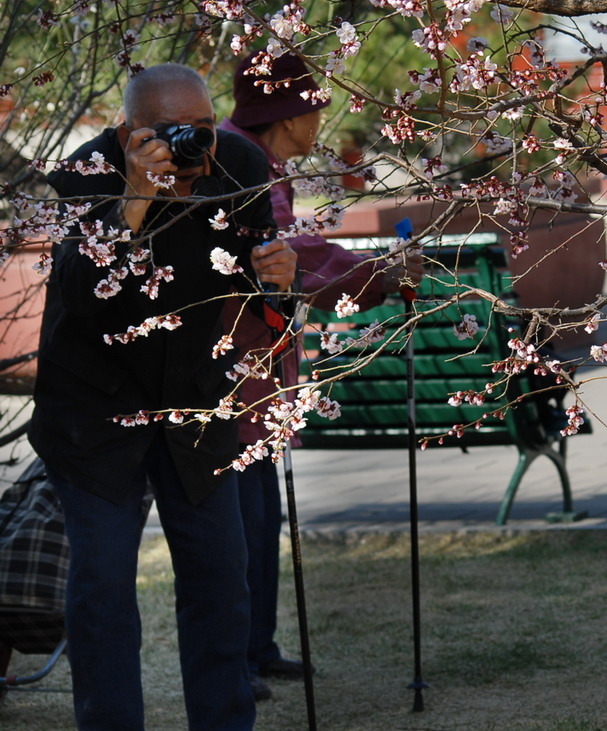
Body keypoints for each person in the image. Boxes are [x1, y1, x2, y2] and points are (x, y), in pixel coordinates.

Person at [29, 63, 297, 730]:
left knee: (220, 577)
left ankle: (226, 719)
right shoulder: (82, 178)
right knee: (104, 586)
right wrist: (134, 203)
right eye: (171, 134)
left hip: (196, 398)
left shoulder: (237, 165)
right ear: (126, 134)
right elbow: (84, 300)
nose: (190, 149)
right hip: (94, 410)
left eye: (202, 130)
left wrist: (281, 283)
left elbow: (268, 309)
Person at [220, 51, 424, 700]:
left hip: (260, 372)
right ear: (287, 113)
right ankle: (235, 658)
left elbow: (296, 247)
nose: (320, 115)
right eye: (312, 103)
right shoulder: (239, 160)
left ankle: (256, 646)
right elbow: (291, 254)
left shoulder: (261, 163)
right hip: (233, 375)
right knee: (241, 524)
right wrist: (377, 275)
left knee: (261, 518)